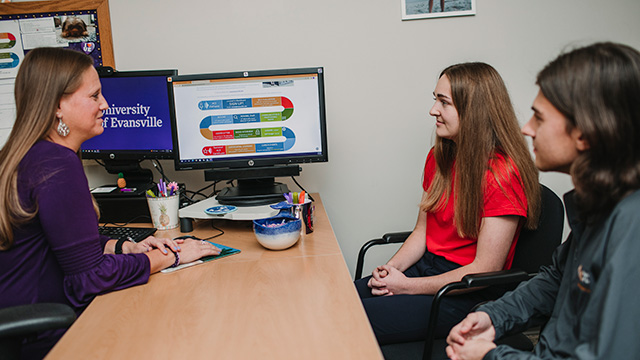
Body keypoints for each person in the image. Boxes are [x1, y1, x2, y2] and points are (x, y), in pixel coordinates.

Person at [0, 47, 221, 359]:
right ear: (58, 106)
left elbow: (60, 243)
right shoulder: (56, 165)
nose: (105, 104)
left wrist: (122, 246)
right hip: (45, 337)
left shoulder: (29, 155)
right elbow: (88, 279)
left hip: (25, 315)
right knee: (177, 334)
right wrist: (171, 256)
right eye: (94, 96)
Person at [446, 42, 640, 360]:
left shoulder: (631, 227)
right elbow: (555, 279)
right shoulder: (600, 206)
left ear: (585, 133)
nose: (526, 128)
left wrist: (490, 357)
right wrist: (495, 316)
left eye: (539, 118)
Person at [354, 62, 540, 345]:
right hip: (427, 270)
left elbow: (485, 269)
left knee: (348, 321)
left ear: (473, 111)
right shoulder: (440, 157)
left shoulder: (501, 175)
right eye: (435, 99)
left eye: (444, 102)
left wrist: (407, 287)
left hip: (468, 292)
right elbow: (422, 233)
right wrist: (390, 271)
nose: (433, 110)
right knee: (336, 301)